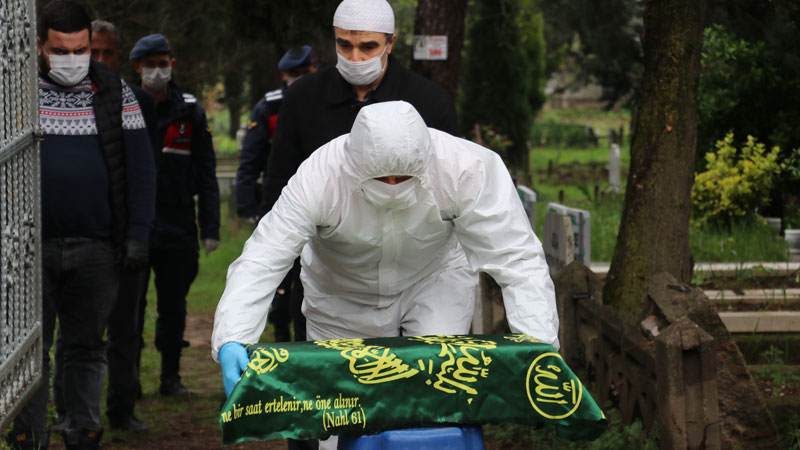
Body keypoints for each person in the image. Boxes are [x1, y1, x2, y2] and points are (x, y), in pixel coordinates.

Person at [213, 101, 559, 448]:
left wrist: (539, 341)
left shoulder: (466, 167)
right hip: (342, 293)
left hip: (434, 280)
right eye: (382, 178)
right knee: (339, 418)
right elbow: (264, 257)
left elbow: (515, 255)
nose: (393, 185)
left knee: (436, 400)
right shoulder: (319, 177)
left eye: (403, 178)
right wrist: (233, 335)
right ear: (354, 166)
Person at [259, 0, 459, 349]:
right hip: (330, 269)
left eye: (368, 46)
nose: (355, 57)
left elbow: (452, 187)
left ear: (390, 43)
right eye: (344, 45)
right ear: (333, 39)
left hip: (417, 269)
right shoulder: (303, 98)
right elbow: (280, 181)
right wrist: (282, 268)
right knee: (334, 385)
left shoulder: (429, 102)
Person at [5, 1, 156, 449]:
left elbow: (141, 172)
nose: (72, 60)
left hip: (97, 250)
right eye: (60, 50)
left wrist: (137, 236)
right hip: (27, 248)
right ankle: (29, 436)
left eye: (81, 50)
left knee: (87, 347)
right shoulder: (16, 93)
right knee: (31, 354)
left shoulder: (116, 93)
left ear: (91, 45)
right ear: (39, 46)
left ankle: (83, 433)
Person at [129, 33, 221, 397]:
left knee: (173, 305)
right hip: (135, 225)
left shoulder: (190, 113)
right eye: (149, 65)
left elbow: (206, 173)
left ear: (172, 64)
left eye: (162, 63)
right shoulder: (126, 107)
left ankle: (170, 376)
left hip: (177, 226)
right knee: (131, 308)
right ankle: (128, 379)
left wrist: (210, 228)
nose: (156, 71)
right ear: (137, 67)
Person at [236, 46, 316, 343]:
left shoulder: (325, 102)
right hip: (279, 208)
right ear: (284, 75)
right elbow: (250, 161)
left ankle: (306, 343)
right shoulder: (269, 108)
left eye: (306, 74)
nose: (300, 80)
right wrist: (248, 209)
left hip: (320, 208)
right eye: (295, 75)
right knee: (280, 282)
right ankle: (282, 340)